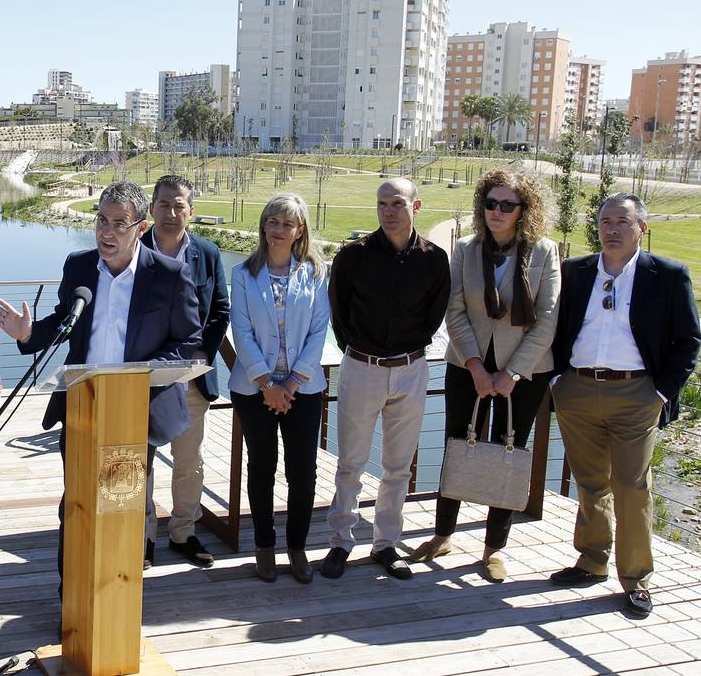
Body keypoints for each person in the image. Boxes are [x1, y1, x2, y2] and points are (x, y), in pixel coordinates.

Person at [0, 180, 201, 577]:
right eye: (101, 219)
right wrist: (28, 334)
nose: (106, 231)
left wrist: (143, 374)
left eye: (119, 223)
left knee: (124, 502)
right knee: (78, 503)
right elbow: (65, 322)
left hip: (136, 410)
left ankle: (116, 599)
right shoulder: (79, 265)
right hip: (82, 405)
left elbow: (188, 340)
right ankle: (71, 598)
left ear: (140, 227)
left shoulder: (170, 275)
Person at [548, 193, 700, 618]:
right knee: (590, 482)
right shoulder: (575, 272)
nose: (611, 229)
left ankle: (635, 579)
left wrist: (660, 393)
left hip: (637, 395)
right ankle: (592, 561)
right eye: (605, 221)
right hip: (578, 390)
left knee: (632, 487)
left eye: (622, 222)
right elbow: (553, 327)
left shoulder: (667, 276)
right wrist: (559, 380)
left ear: (641, 229)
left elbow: (688, 341)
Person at [410, 171, 560, 584]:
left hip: (525, 373)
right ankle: (442, 534)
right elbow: (454, 310)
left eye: (507, 205)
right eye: (491, 203)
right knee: (457, 445)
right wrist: (475, 365)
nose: (496, 211)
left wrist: (511, 373)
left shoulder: (546, 252)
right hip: (466, 367)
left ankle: (494, 548)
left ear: (523, 210)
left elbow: (546, 320)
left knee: (507, 453)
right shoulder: (466, 249)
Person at [324, 178, 450, 581]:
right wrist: (362, 353)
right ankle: (341, 541)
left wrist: (406, 355)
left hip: (412, 370)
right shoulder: (353, 257)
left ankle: (386, 544)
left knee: (398, 467)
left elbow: (434, 316)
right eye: (382, 204)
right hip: (361, 368)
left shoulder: (434, 260)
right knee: (351, 463)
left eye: (397, 203)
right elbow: (340, 315)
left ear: (416, 206)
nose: (389, 211)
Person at [229, 194, 330, 583]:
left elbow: (320, 330)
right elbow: (241, 329)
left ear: (299, 229)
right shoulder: (243, 273)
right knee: (262, 467)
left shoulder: (316, 273)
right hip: (255, 390)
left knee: (303, 471)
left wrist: (291, 382)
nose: (278, 229)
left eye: (287, 223)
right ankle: (265, 547)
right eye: (272, 221)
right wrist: (267, 383)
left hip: (302, 390)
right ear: (263, 225)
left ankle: (297, 548)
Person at [141, 174, 230, 568]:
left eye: (179, 206)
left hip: (192, 376)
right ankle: (141, 536)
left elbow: (221, 311)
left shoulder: (208, 254)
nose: (171, 213)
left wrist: (198, 358)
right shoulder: (132, 249)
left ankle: (183, 533)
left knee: (189, 460)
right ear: (151, 209)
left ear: (191, 212)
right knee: (139, 461)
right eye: (164, 204)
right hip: (141, 377)